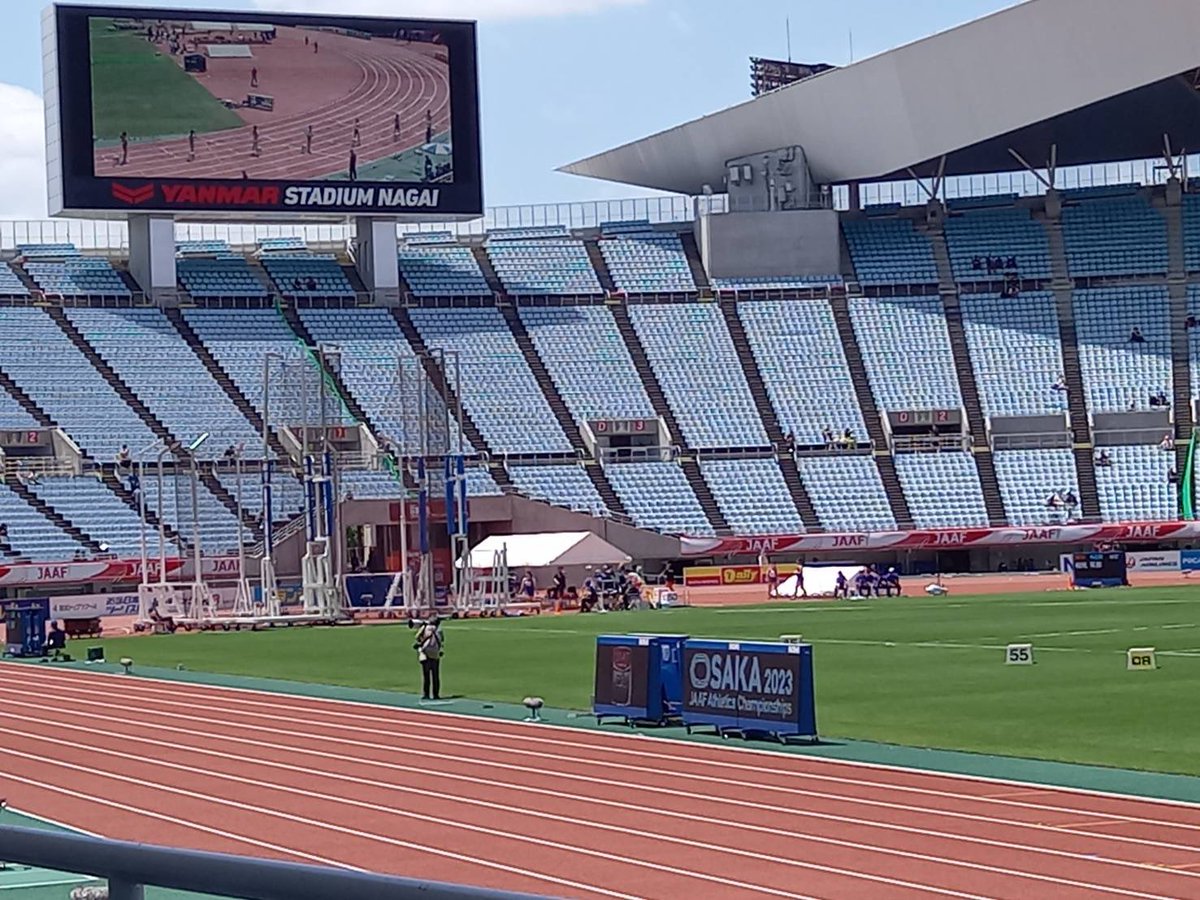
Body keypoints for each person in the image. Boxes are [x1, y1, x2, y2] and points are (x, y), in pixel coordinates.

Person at [413, 618, 443, 700]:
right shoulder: (439, 630)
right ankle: (436, 694)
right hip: (435, 654)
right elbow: (442, 640)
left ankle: (426, 694)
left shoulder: (425, 628)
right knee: (435, 676)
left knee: (426, 676)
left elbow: (417, 637)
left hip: (425, 654)